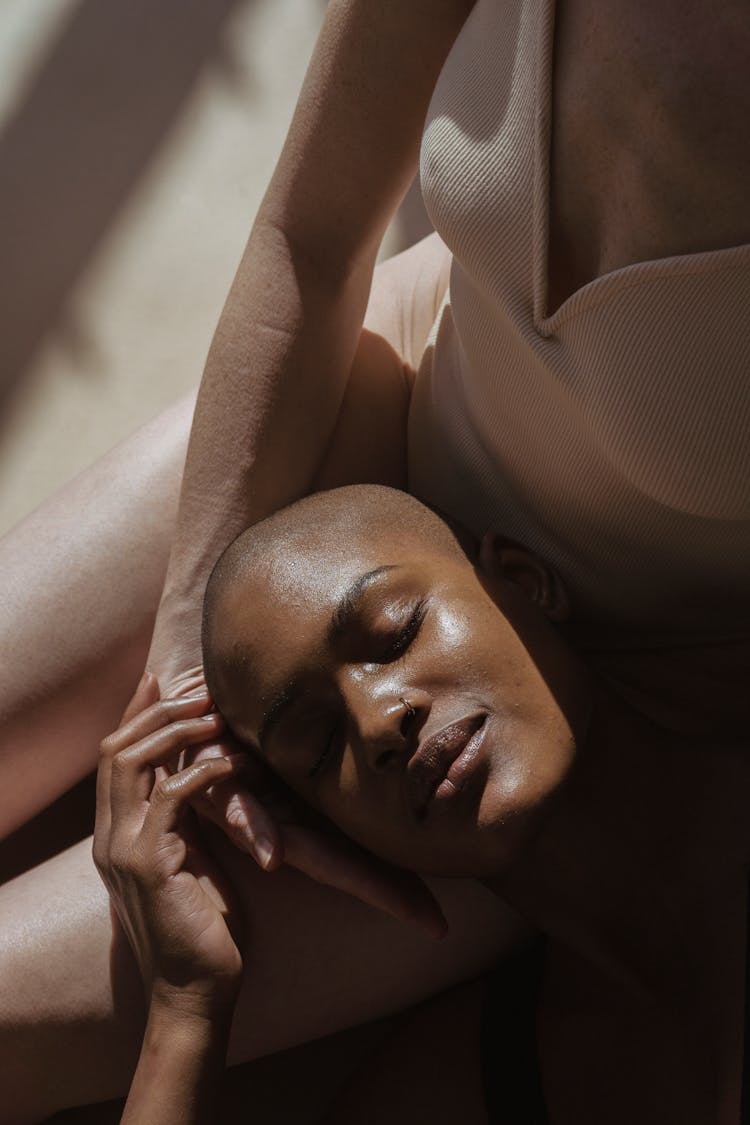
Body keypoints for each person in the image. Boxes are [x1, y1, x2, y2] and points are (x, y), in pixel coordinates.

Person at [1, 0, 749, 1116]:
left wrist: (192, 996)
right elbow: (310, 236)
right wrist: (197, 693)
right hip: (372, 412)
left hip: (575, 680)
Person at [96, 484, 750, 1123]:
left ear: (523, 582)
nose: (378, 720)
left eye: (396, 635)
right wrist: (185, 1007)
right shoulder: (463, 1089)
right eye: (320, 742)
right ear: (333, 829)